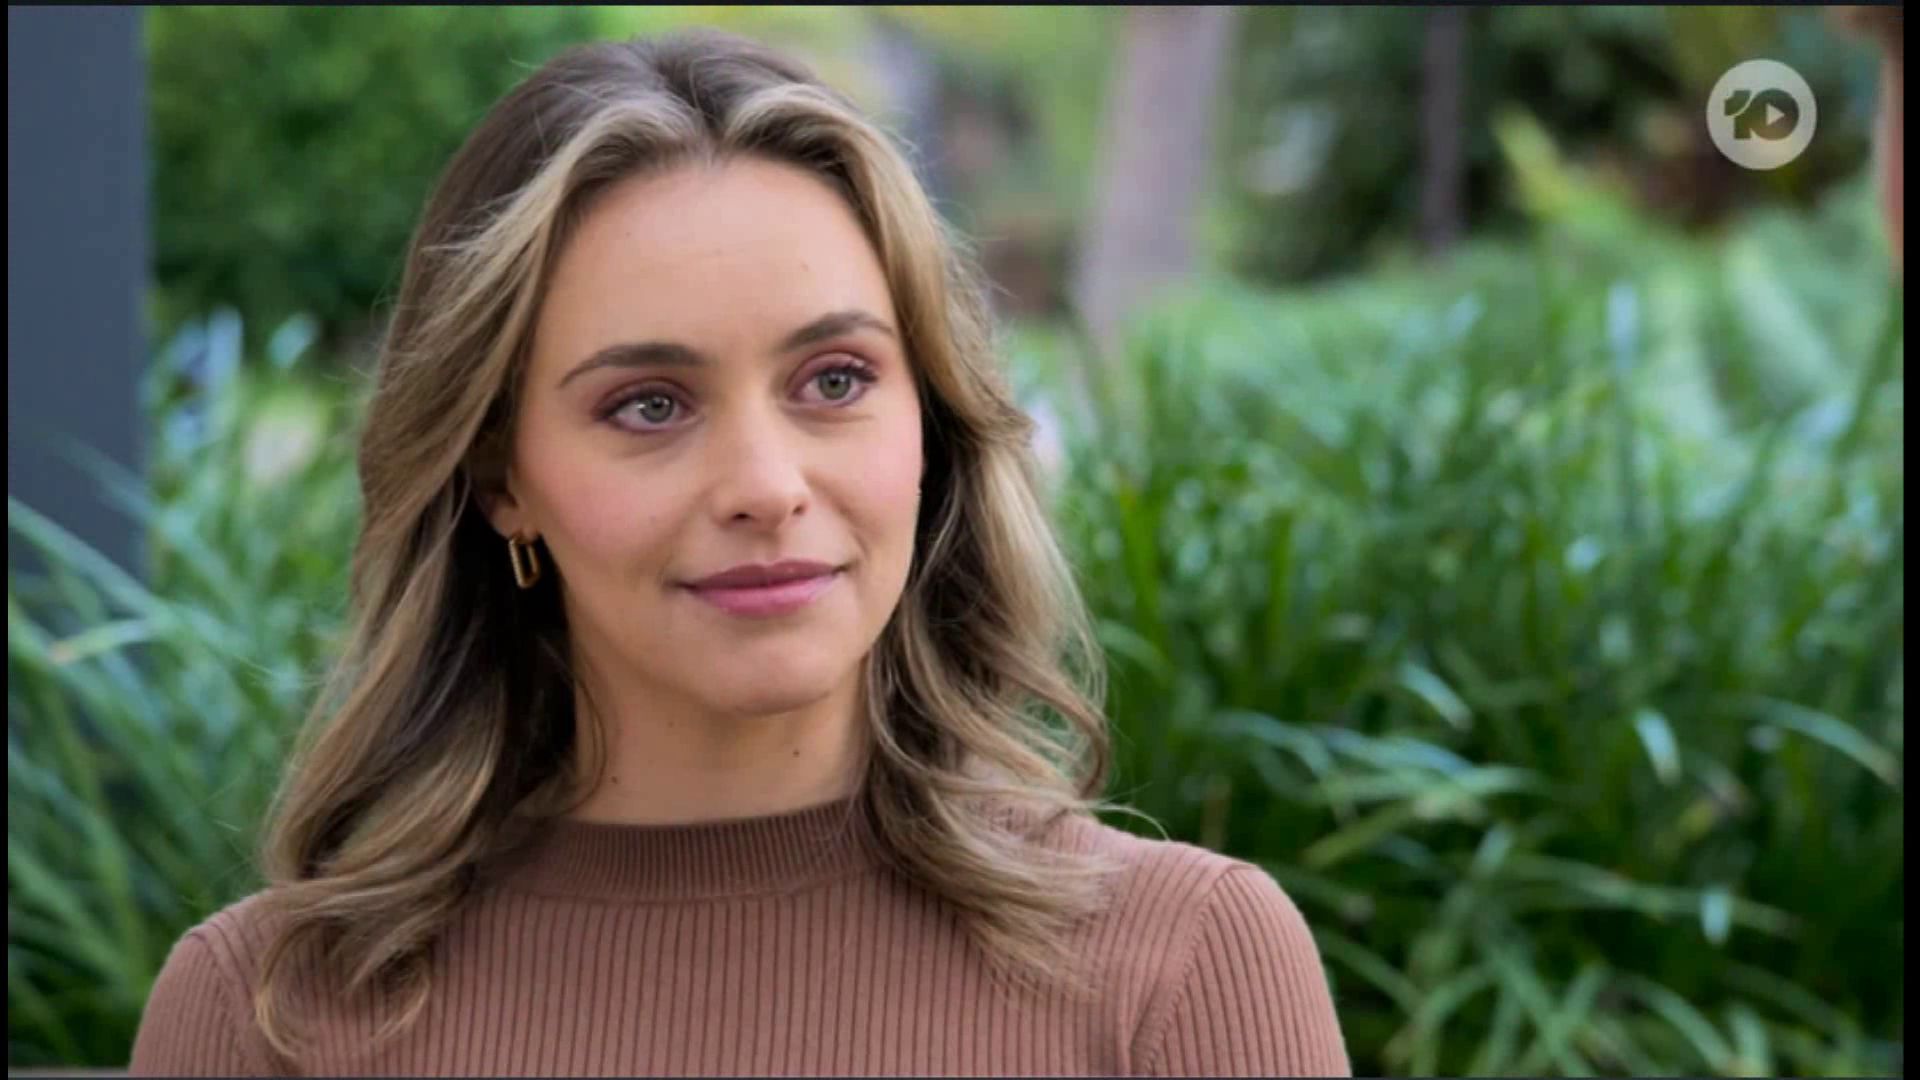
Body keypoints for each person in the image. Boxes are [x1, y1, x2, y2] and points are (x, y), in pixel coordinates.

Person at [129, 29, 1349, 1077]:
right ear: (502, 478)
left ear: (929, 419)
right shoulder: (264, 1014)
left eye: (836, 380)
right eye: (649, 405)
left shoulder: (1185, 970)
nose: (767, 487)